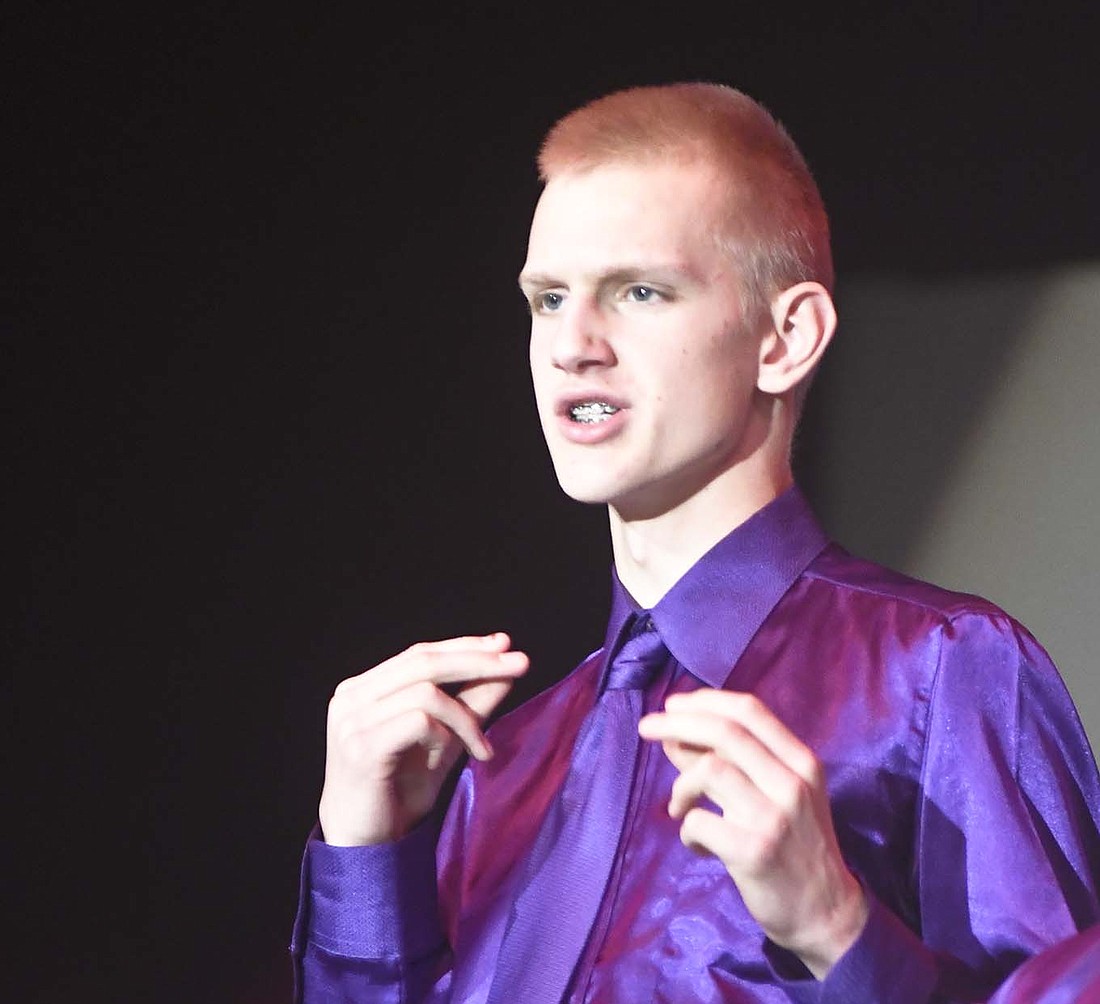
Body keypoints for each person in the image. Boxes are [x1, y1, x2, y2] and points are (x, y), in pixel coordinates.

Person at [290, 82, 1100, 1002]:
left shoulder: (942, 672)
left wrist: (840, 929)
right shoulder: (500, 767)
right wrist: (365, 861)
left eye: (638, 291)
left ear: (785, 338)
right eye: (548, 298)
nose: (572, 344)